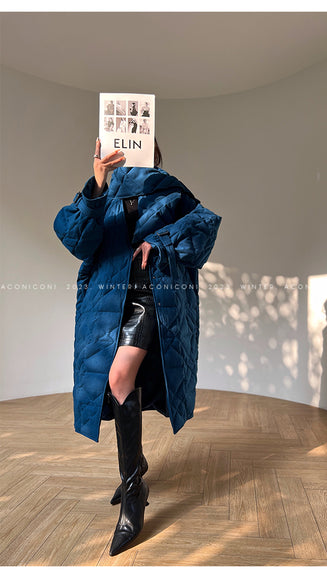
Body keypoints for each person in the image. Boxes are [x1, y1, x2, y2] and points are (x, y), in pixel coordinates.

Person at [53, 138, 222, 556]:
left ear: (151, 150)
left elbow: (203, 228)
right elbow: (77, 240)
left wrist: (160, 241)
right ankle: (137, 467)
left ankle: (133, 493)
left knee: (118, 376)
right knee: (116, 386)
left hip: (151, 296)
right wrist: (97, 184)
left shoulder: (171, 191)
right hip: (108, 300)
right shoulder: (101, 192)